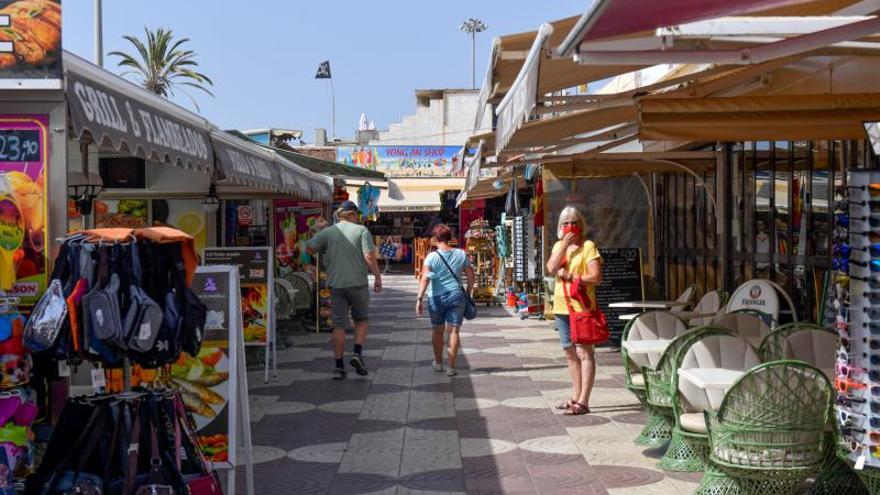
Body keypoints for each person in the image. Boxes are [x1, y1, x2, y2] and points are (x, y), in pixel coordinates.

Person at [306, 201, 382, 380]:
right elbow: (369, 256)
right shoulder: (361, 231)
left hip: (336, 285)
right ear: (353, 214)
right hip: (358, 283)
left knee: (339, 325)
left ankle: (339, 367)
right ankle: (356, 353)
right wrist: (377, 277)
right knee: (361, 320)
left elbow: (309, 248)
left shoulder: (328, 232)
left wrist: (320, 236)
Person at [545, 205, 603, 415]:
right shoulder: (558, 246)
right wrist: (563, 246)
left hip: (581, 306)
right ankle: (575, 396)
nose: (570, 226)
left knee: (584, 352)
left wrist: (570, 277)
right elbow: (551, 269)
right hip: (561, 305)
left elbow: (596, 277)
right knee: (570, 353)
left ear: (581, 225)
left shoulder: (588, 246)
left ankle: (584, 401)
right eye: (565, 223)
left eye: (574, 222)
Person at [415, 224, 474, 377]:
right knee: (454, 332)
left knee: (437, 331)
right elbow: (471, 276)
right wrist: (468, 292)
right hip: (456, 295)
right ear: (450, 237)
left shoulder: (431, 257)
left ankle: (438, 363)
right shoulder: (461, 254)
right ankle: (451, 367)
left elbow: (425, 279)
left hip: (436, 298)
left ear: (435, 238)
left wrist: (419, 298)